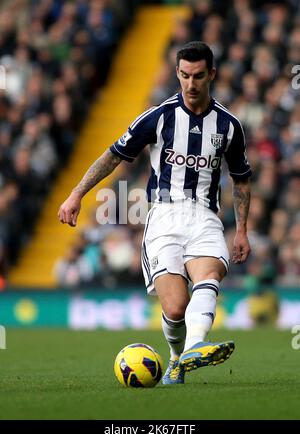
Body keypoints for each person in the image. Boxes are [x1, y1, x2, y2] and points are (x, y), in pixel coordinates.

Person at [58, 41, 252, 385]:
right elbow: (114, 155)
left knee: (209, 277)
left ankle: (195, 346)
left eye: (198, 76)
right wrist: (77, 194)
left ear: (212, 75)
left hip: (206, 217)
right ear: (177, 73)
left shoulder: (229, 126)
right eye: (184, 75)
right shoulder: (159, 117)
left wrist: (241, 230)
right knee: (176, 308)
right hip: (164, 218)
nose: (191, 84)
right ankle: (178, 357)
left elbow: (241, 180)